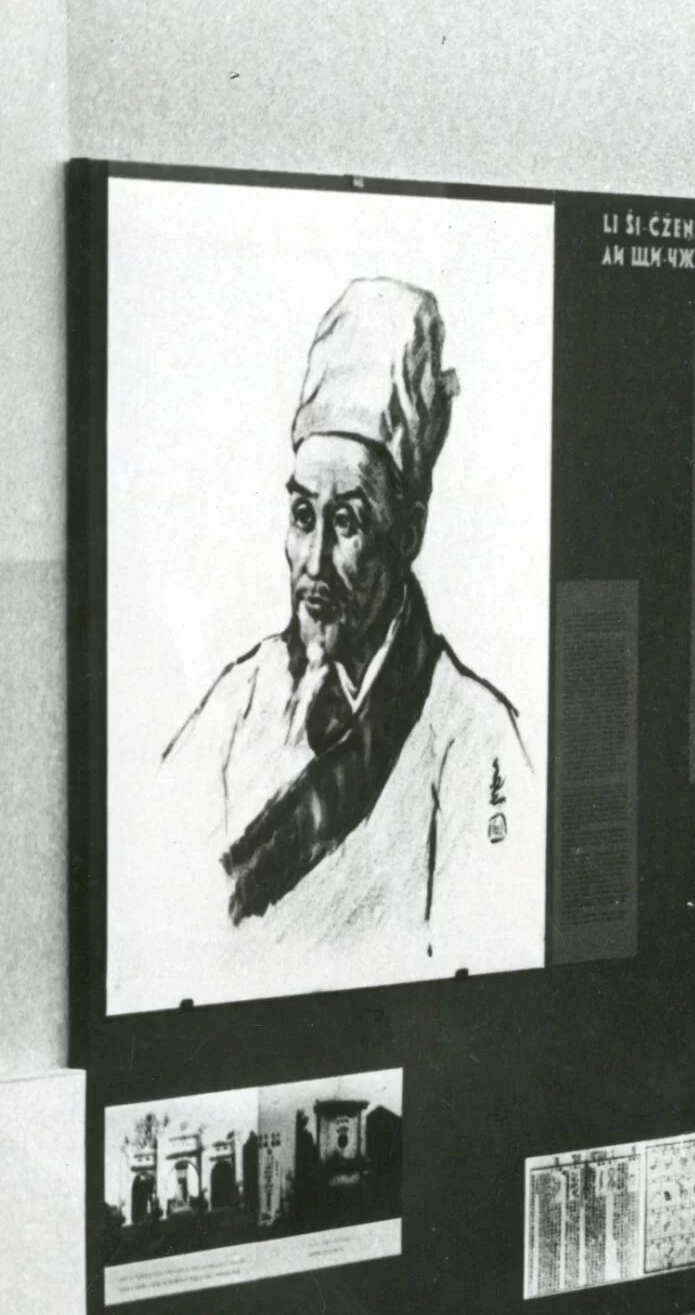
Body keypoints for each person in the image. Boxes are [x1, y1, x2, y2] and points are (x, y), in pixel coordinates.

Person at [158, 277, 532, 984]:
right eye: (304, 517)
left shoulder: (474, 738)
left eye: (349, 522)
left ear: (408, 533)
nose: (315, 563)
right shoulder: (240, 699)